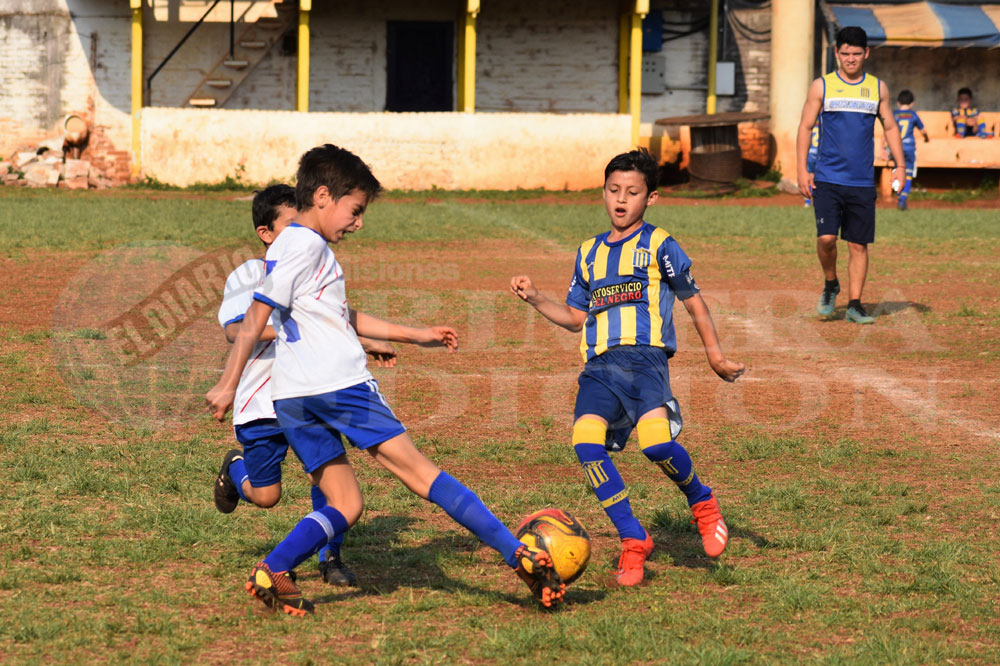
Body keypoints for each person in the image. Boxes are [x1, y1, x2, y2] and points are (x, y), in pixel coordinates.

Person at [206, 144, 565, 616]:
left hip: (293, 396)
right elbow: (254, 317)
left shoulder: (293, 244)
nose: (357, 223)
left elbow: (333, 312)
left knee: (345, 502)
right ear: (321, 197)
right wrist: (229, 384)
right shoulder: (307, 244)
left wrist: (414, 334)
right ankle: (517, 553)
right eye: (354, 211)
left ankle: (274, 568)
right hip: (337, 386)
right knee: (421, 473)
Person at [509, 149, 745, 587]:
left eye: (632, 192)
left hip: (645, 361)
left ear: (650, 198)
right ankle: (633, 538)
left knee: (656, 446)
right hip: (599, 365)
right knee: (585, 444)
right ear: (603, 191)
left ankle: (702, 501)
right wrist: (537, 298)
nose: (621, 200)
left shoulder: (660, 244)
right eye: (614, 190)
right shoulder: (587, 254)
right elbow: (577, 318)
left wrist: (714, 354)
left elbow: (693, 299)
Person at [212, 184, 395, 587]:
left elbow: (331, 323)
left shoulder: (313, 265)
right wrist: (278, 325)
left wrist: (365, 342)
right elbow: (234, 331)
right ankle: (235, 467)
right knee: (267, 497)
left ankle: (330, 559)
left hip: (309, 390)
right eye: (291, 224)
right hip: (261, 402)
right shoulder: (248, 275)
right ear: (266, 233)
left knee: (325, 478)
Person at [796, 26, 906, 325]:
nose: (851, 59)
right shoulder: (822, 86)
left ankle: (855, 304)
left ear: (866, 53)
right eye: (845, 53)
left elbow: (892, 127)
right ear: (836, 53)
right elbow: (805, 127)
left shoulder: (878, 88)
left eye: (856, 53)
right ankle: (831, 282)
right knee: (827, 239)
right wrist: (801, 170)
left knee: (858, 245)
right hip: (827, 178)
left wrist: (900, 164)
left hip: (861, 182)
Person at [890, 90, 929, 211]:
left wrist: (884, 148)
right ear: (912, 103)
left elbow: (887, 131)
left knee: (897, 170)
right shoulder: (913, 115)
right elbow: (923, 131)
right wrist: (926, 138)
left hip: (896, 148)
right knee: (908, 174)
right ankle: (903, 199)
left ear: (898, 103)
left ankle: (898, 193)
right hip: (909, 147)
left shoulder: (894, 114)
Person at [804, 124, 819, 207]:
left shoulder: (809, 125)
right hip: (820, 154)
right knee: (819, 178)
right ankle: (817, 200)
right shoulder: (823, 123)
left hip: (810, 154)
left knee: (810, 176)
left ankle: (808, 201)